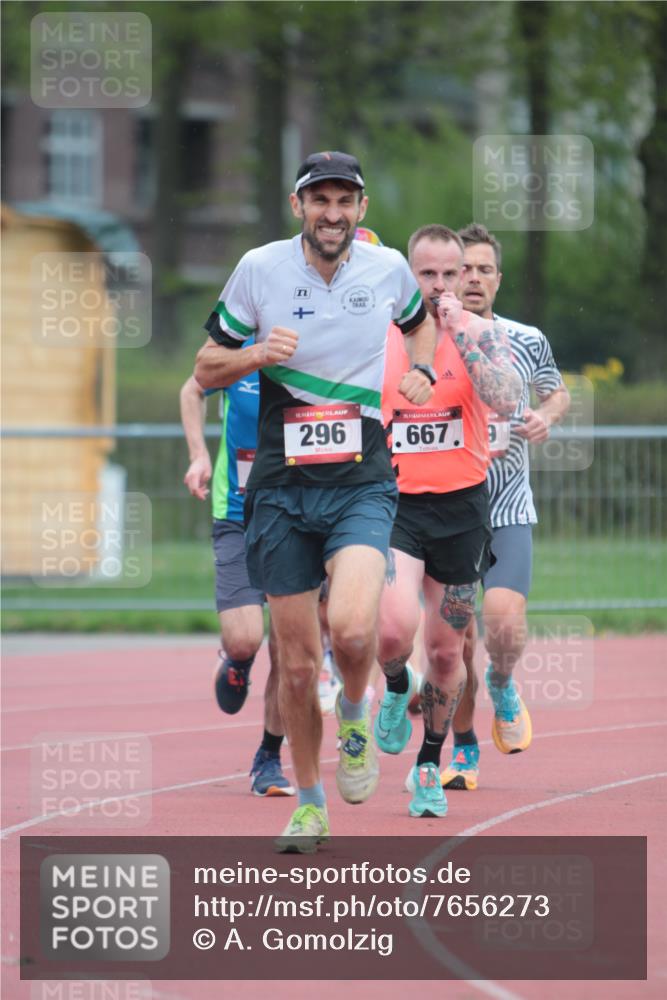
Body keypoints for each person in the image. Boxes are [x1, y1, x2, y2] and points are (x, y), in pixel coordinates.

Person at [193, 151, 437, 851]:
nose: (332, 212)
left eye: (345, 200)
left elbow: (418, 321)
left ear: (360, 210)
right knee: (296, 666)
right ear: (298, 205)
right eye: (319, 199)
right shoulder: (259, 269)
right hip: (278, 491)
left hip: (360, 479)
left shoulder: (386, 268)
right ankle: (307, 802)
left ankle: (355, 714)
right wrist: (256, 355)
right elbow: (205, 367)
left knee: (356, 632)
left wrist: (417, 367)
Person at [374, 224, 522, 818]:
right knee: (391, 629)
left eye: (447, 274)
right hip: (394, 505)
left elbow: (509, 397)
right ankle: (391, 686)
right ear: (409, 276)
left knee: (445, 652)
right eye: (425, 275)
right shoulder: (380, 336)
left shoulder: (480, 333)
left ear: (464, 276)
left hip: (461, 511)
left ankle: (430, 763)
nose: (437, 286)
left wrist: (458, 330)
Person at [439, 222, 570, 791]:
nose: (472, 278)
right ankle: (464, 751)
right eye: (462, 268)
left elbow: (556, 389)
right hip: (451, 509)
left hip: (509, 504)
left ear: (498, 279)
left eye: (483, 269)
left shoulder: (526, 338)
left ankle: (503, 680)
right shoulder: (433, 339)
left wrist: (549, 415)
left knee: (503, 627)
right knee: (459, 638)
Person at [180, 370, 295, 797]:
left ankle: (268, 756)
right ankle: (238, 660)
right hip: (236, 514)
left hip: (296, 515)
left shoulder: (320, 347)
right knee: (246, 637)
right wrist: (198, 455)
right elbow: (192, 389)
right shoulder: (237, 346)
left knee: (289, 642)